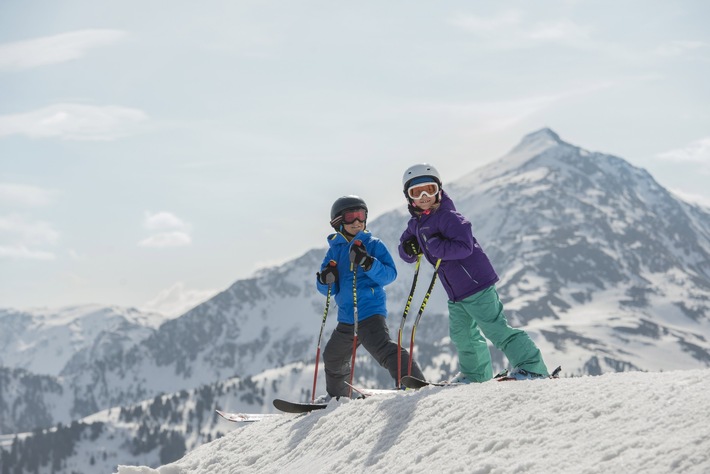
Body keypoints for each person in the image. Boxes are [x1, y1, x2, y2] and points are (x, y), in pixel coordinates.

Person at [398, 164, 549, 383]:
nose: (424, 197)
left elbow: (464, 246)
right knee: (463, 336)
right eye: (416, 192)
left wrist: (434, 245)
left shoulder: (449, 216)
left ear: (438, 190)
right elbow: (405, 249)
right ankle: (475, 375)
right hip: (455, 292)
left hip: (476, 284)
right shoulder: (416, 223)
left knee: (496, 329)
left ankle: (532, 367)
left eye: (429, 190)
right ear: (408, 197)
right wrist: (409, 249)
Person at [315, 195, 425, 400]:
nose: (357, 221)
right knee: (333, 355)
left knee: (383, 349)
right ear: (338, 222)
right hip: (347, 317)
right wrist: (326, 280)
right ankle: (339, 397)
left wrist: (367, 262)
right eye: (351, 217)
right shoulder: (334, 252)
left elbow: (390, 274)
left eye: (361, 216)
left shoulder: (373, 245)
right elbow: (327, 290)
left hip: (369, 312)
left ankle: (413, 383)